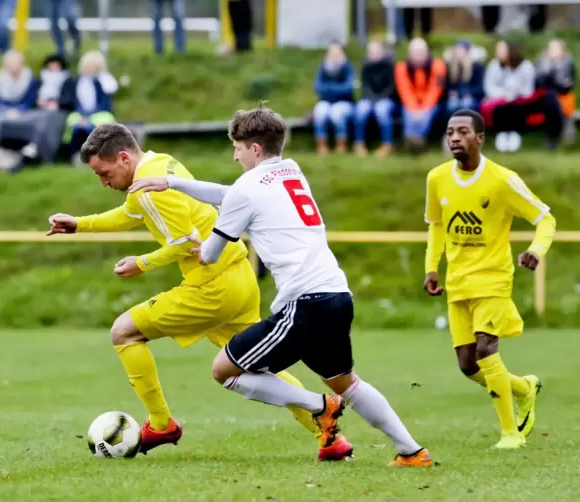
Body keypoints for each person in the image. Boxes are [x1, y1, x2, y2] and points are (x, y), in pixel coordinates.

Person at [129, 106, 432, 467]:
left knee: (225, 371)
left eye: (237, 148)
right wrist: (174, 183)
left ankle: (319, 406)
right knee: (347, 382)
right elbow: (229, 193)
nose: (235, 155)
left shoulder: (247, 189)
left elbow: (210, 253)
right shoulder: (290, 171)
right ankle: (412, 451)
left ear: (254, 149)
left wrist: (197, 244)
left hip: (306, 304)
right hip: (337, 295)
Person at [45, 123, 344, 458]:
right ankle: (329, 436)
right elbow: (131, 213)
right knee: (258, 366)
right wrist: (80, 224)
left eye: (104, 172)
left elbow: (186, 245)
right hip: (239, 278)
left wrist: (140, 263)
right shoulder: (162, 164)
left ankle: (161, 425)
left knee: (124, 332)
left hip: (211, 288)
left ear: (124, 157)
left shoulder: (148, 190)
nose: (103, 181)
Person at [424, 109, 556, 449]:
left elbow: (545, 219)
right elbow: (437, 226)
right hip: (459, 283)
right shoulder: (437, 178)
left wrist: (537, 250)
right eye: (450, 131)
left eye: (463, 131)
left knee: (486, 350)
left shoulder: (501, 179)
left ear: (479, 138)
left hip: (494, 279)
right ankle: (525, 389)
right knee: (468, 366)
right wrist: (431, 267)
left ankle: (510, 434)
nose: (454, 137)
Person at [394, 38, 446, 154]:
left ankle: (417, 143)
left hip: (431, 103)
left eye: (421, 53)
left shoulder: (438, 65)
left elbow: (435, 90)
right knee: (408, 115)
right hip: (410, 102)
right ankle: (411, 142)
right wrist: (414, 109)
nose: (418, 56)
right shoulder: (401, 67)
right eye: (415, 53)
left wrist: (423, 109)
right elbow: (404, 89)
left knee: (425, 116)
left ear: (427, 53)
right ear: (409, 54)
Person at [353, 40, 396, 158]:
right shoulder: (365, 66)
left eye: (377, 52)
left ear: (382, 52)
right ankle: (359, 143)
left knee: (382, 110)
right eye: (371, 52)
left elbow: (391, 87)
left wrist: (378, 99)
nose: (374, 54)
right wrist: (371, 99)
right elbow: (365, 87)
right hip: (369, 98)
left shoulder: (390, 66)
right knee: (361, 110)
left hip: (386, 98)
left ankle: (387, 144)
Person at [312, 42, 355, 155]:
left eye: (337, 53)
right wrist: (336, 89)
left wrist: (329, 88)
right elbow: (318, 87)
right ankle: (322, 145)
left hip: (345, 102)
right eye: (332, 53)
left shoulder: (348, 67)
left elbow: (348, 88)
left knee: (337, 113)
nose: (334, 56)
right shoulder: (323, 67)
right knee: (320, 111)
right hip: (326, 102)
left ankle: (341, 144)